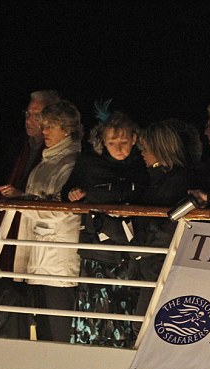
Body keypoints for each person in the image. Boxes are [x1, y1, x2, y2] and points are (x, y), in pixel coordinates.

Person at [62, 107, 148, 347]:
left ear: (134, 138)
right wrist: (73, 195)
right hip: (97, 250)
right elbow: (66, 192)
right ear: (102, 141)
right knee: (94, 311)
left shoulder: (142, 163)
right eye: (112, 143)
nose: (119, 148)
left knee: (127, 311)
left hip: (131, 251)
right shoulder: (89, 162)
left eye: (123, 142)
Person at [1, 100, 83, 342]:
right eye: (44, 126)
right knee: (39, 331)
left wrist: (21, 201)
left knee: (56, 332)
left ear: (67, 130)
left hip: (56, 262)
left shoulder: (71, 162)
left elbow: (62, 209)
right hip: (37, 259)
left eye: (50, 126)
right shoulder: (47, 161)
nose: (44, 131)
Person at [130, 121, 190, 323]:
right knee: (143, 323)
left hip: (160, 262)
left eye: (145, 149)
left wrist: (143, 246)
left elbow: (171, 224)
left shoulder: (178, 180)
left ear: (159, 149)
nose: (142, 154)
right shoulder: (155, 178)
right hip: (150, 261)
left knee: (146, 324)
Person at [0, 90, 61, 272]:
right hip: (10, 220)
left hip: (40, 231)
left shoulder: (58, 153)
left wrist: (21, 195)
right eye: (28, 114)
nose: (29, 120)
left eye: (36, 115)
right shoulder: (18, 144)